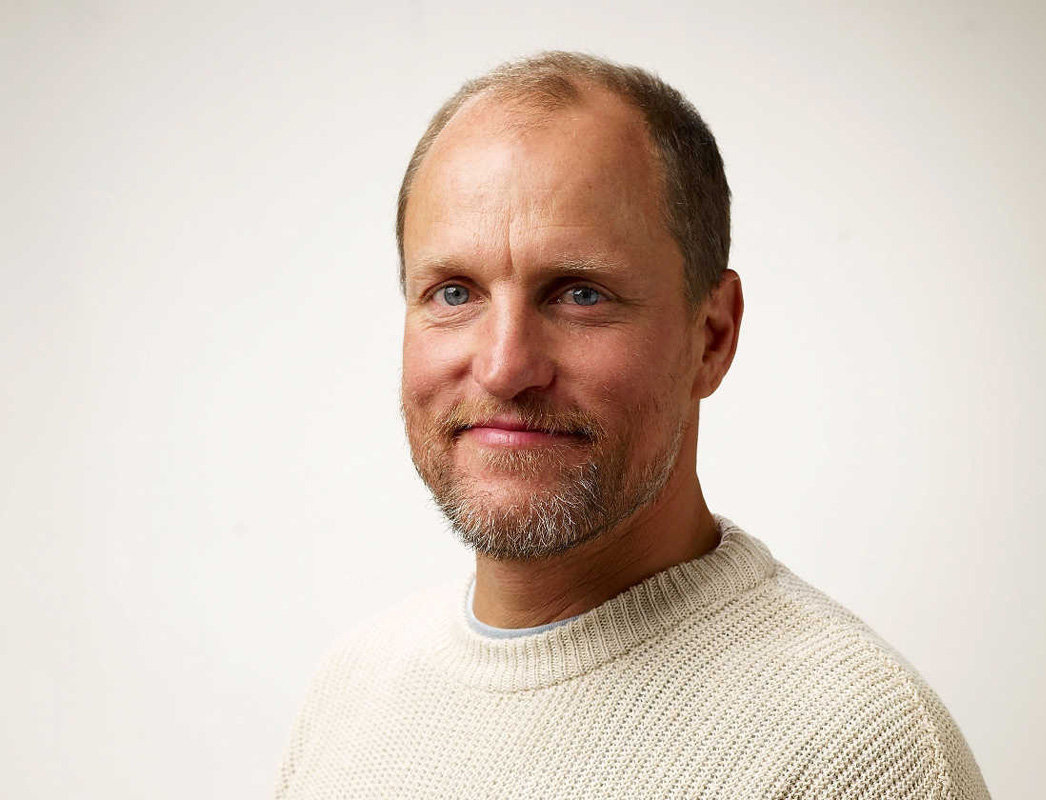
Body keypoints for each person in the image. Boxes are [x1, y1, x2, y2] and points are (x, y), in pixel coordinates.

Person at [275, 51, 990, 799]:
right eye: (454, 293)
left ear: (711, 337)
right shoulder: (350, 692)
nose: (505, 366)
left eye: (580, 294)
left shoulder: (858, 755)